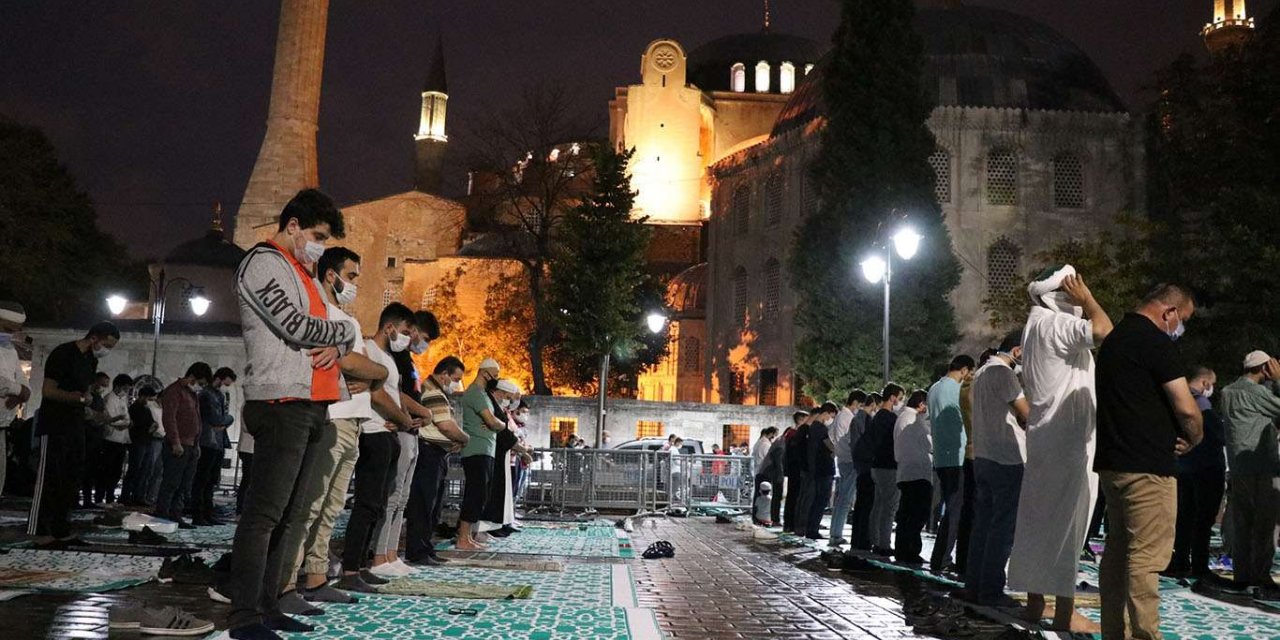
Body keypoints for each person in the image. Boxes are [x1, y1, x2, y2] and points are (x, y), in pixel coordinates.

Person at [226, 188, 359, 640]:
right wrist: (344, 330)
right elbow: (296, 326)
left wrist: (338, 340)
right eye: (317, 235)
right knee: (265, 514)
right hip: (281, 401)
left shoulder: (301, 272)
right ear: (292, 225)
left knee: (290, 515)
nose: (319, 246)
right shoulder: (263, 262)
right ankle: (243, 615)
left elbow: (330, 338)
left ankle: (269, 603)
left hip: (313, 403)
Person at [278, 247, 390, 609]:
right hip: (333, 416)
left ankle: (315, 575)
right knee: (310, 504)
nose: (355, 283)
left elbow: (364, 368)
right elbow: (352, 361)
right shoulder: (322, 314)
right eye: (352, 275)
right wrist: (376, 373)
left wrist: (373, 377)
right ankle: (285, 584)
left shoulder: (345, 318)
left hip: (353, 421)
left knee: (331, 506)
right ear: (331, 275)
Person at [1007, 265, 1113, 633]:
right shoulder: (1055, 324)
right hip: (1067, 442)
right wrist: (1090, 300)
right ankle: (1065, 611)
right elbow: (1104, 331)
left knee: (1040, 522)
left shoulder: (1035, 326)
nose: (1079, 299)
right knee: (1069, 524)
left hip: (1046, 439)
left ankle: (1036, 602)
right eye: (1074, 291)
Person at [1094, 283, 1201, 639]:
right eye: (1181, 320)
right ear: (1168, 312)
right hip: (1148, 466)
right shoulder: (1155, 343)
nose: (1178, 328)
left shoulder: (1113, 341)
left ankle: (1115, 632)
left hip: (1114, 461)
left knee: (1118, 554)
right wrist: (1195, 436)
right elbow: (1186, 407)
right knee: (1146, 559)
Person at [366, 304, 440, 579]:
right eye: (420, 336)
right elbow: (394, 394)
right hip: (397, 428)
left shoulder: (407, 362)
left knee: (401, 498)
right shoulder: (393, 356)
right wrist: (421, 413)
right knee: (392, 496)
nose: (421, 343)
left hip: (410, 429)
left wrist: (417, 417)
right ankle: (379, 554)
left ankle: (390, 553)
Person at [30, 321, 118, 547]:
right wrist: (79, 399)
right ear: (95, 338)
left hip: (76, 425)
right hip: (55, 424)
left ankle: (61, 527)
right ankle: (41, 530)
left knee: (71, 478)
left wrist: (88, 408)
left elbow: (86, 391)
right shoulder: (64, 354)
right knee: (51, 477)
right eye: (106, 344)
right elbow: (48, 391)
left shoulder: (90, 360)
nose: (106, 350)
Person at [964, 330, 1030, 606]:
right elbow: (1027, 413)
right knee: (1002, 529)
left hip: (984, 457)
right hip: (1006, 459)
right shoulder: (1003, 374)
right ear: (1016, 351)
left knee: (983, 526)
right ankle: (991, 590)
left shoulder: (980, 374)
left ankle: (975, 586)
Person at [1218, 351, 1280, 596]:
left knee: (1242, 522)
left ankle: (1241, 574)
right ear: (1264, 369)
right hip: (1261, 464)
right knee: (1264, 523)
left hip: (1238, 466)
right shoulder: (1257, 392)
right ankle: (1260, 575)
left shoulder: (1227, 391)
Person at [402, 356, 470, 567]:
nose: (457, 384)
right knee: (423, 504)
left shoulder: (436, 392)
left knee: (432, 506)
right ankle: (417, 550)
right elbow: (445, 425)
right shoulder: (433, 393)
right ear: (444, 375)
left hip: (437, 453)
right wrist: (464, 438)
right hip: (428, 453)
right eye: (456, 378)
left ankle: (425, 548)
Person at [1166, 366, 1225, 579]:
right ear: (1205, 383)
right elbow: (1216, 435)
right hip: (1206, 468)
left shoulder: (1174, 399)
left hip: (1184, 467)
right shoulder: (1200, 403)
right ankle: (1199, 565)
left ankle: (1180, 559)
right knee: (1203, 519)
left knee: (1184, 517)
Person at [457, 359, 518, 550]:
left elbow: (495, 423)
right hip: (476, 450)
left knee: (480, 495)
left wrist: (496, 424)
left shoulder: (483, 394)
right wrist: (498, 425)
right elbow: (494, 423)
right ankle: (462, 538)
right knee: (474, 495)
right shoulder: (475, 393)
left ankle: (468, 536)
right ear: (485, 373)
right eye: (495, 375)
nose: (497, 379)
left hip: (486, 450)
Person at [928, 356, 974, 572]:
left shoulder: (933, 389)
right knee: (955, 510)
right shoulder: (956, 390)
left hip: (940, 456)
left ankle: (939, 558)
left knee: (950, 509)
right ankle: (943, 559)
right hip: (956, 455)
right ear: (964, 370)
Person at [156, 362, 213, 528]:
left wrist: (197, 444)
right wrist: (175, 442)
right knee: (171, 483)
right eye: (201, 383)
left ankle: (176, 515)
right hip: (178, 445)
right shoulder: (174, 391)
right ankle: (163, 515)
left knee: (184, 484)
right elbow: (170, 418)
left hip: (191, 446)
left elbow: (196, 419)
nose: (201, 387)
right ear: (193, 377)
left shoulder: (191, 394)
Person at [956, 348, 995, 573]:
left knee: (969, 511)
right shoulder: (976, 389)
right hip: (980, 454)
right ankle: (969, 563)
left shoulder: (968, 388)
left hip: (972, 454)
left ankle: (965, 561)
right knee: (977, 512)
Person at [478, 379, 524, 538]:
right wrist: (523, 450)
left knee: (502, 492)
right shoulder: (488, 402)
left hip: (502, 455)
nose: (510, 401)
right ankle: (488, 525)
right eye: (509, 397)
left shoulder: (500, 408)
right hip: (494, 453)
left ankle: (499, 523)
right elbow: (501, 429)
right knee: (492, 492)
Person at [192, 368, 236, 526]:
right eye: (226, 382)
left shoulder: (218, 395)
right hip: (207, 441)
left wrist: (224, 421)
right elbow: (214, 418)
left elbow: (220, 420)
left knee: (211, 480)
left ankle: (208, 513)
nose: (227, 386)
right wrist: (228, 419)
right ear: (220, 378)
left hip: (217, 442)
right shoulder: (206, 395)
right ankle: (198, 513)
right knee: (202, 479)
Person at [894, 390, 931, 565]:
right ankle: (910, 550)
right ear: (921, 404)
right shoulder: (915, 421)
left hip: (905, 471)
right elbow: (928, 445)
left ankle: (902, 550)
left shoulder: (902, 418)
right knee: (917, 513)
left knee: (906, 513)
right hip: (918, 473)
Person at [867, 384, 905, 556]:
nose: (900, 401)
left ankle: (875, 540)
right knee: (889, 507)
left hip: (876, 465)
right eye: (900, 397)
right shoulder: (889, 418)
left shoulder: (877, 417)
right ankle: (884, 543)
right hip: (888, 466)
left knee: (879, 505)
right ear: (892, 397)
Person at [0, 301, 31, 499]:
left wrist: (19, 391)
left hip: (2, 424)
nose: (10, 334)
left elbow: (26, 387)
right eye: (6, 329)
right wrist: (16, 390)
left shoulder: (10, 351)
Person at [828, 391, 865, 547]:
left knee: (842, 499)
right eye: (861, 405)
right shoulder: (847, 417)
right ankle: (836, 534)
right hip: (849, 460)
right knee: (845, 500)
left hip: (843, 460)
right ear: (855, 402)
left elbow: (831, 435)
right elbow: (851, 440)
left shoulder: (840, 416)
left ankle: (835, 532)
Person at [849, 393, 880, 551]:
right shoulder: (863, 420)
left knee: (862, 505)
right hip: (866, 466)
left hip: (862, 466)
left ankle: (858, 540)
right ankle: (862, 540)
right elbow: (860, 445)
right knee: (865, 505)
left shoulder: (862, 420)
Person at [805, 402, 840, 540]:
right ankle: (813, 529)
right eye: (831, 416)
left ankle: (811, 528)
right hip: (824, 469)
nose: (830, 419)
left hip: (818, 468)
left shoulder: (814, 427)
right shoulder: (820, 428)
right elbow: (829, 447)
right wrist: (836, 450)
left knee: (818, 499)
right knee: (821, 499)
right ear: (826, 413)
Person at [122, 387, 162, 506]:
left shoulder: (146, 409)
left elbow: (151, 422)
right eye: (149, 398)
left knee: (145, 470)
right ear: (142, 396)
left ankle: (138, 496)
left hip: (147, 441)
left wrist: (153, 426)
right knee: (135, 469)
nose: (149, 401)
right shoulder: (134, 408)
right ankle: (126, 496)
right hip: (138, 442)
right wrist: (149, 428)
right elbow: (137, 426)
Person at [96, 374, 133, 504]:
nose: (127, 391)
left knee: (116, 471)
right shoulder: (109, 399)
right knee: (106, 470)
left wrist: (127, 423)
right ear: (118, 386)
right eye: (125, 388)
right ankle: (100, 497)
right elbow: (109, 419)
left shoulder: (122, 399)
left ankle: (110, 497)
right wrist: (121, 422)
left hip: (122, 440)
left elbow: (126, 418)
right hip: (110, 439)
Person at [81, 371, 111, 507]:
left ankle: (89, 499)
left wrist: (99, 417)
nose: (102, 387)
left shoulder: (99, 397)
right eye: (101, 384)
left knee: (93, 470)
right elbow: (88, 415)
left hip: (97, 438)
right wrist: (98, 416)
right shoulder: (87, 397)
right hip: (87, 437)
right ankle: (79, 498)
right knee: (84, 469)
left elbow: (105, 416)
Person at [782, 410, 812, 534]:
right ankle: (790, 523)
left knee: (792, 496)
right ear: (801, 420)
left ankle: (789, 523)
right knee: (794, 496)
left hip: (793, 469)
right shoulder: (794, 434)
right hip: (796, 469)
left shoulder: (791, 433)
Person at [752, 427, 778, 497]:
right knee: (764, 493)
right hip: (763, 471)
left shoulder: (759, 442)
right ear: (771, 434)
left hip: (758, 470)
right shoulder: (765, 444)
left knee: (758, 492)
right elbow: (769, 458)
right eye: (774, 435)